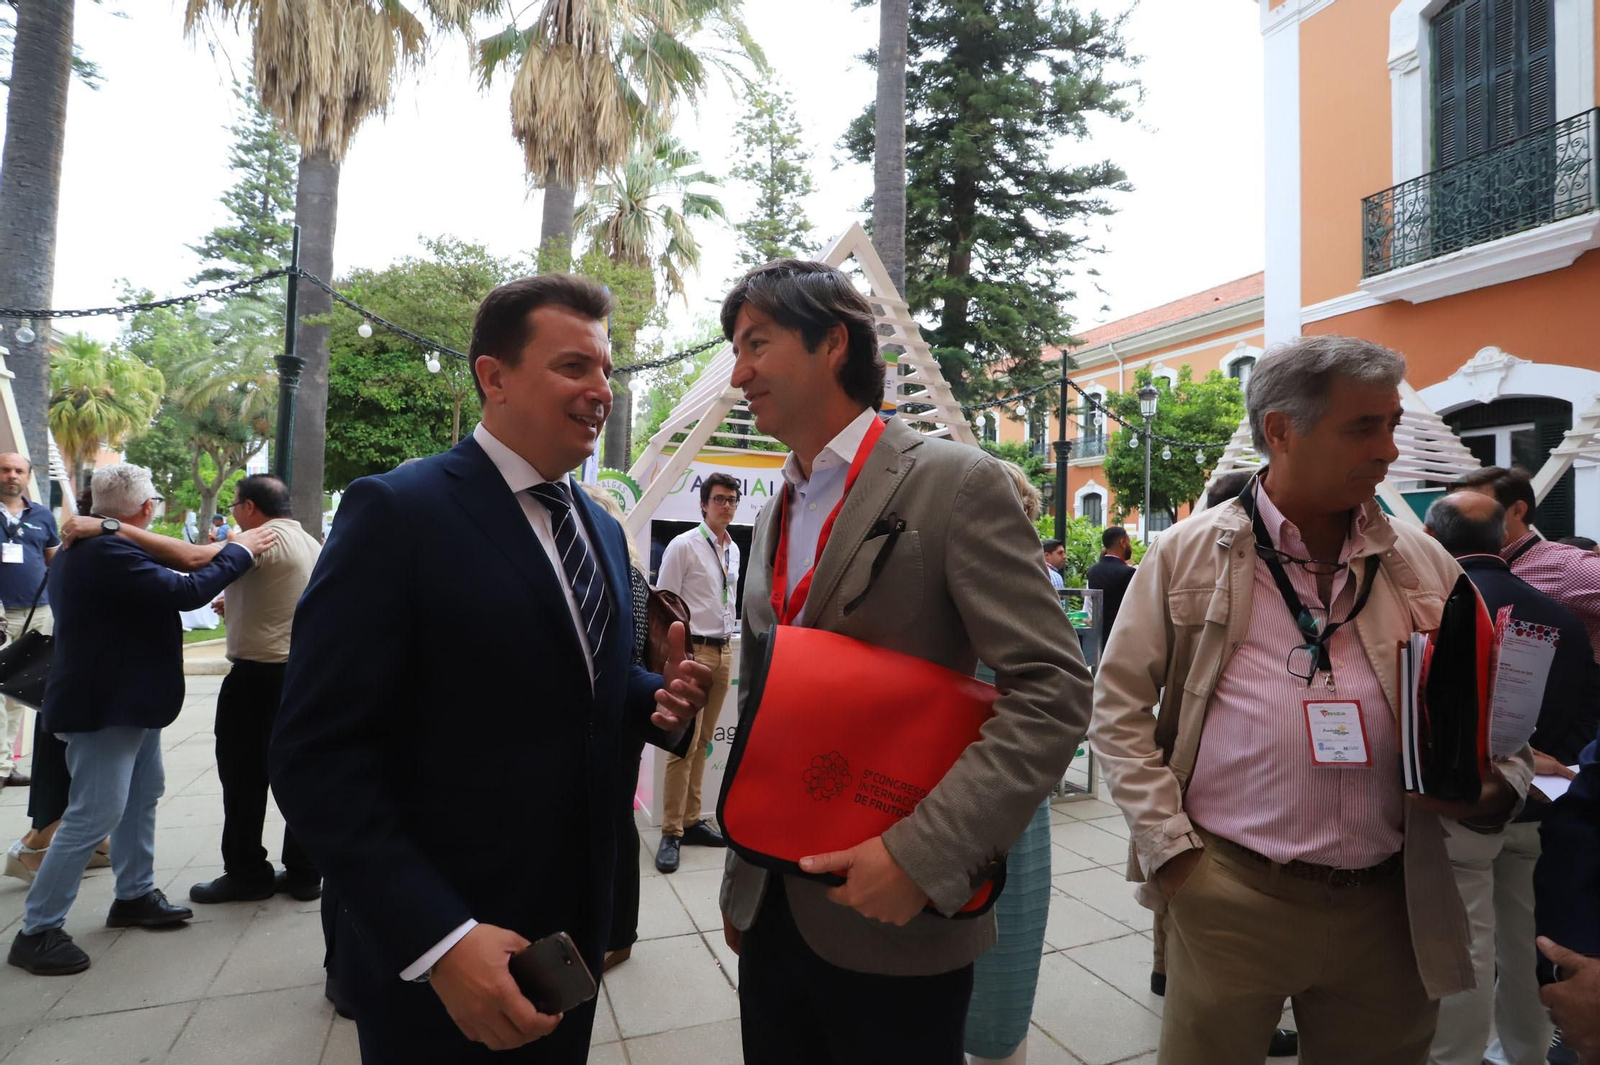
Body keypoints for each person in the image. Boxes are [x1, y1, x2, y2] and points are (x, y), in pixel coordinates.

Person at [269, 274, 713, 1063]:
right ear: (494, 376)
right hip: (448, 959)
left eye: (607, 370)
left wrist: (656, 700)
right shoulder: (397, 514)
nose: (600, 390)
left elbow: (585, 688)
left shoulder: (602, 531)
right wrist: (439, 940)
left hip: (569, 937)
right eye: (574, 367)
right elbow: (315, 759)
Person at [1091, 335, 1535, 1065]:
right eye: (1365, 426)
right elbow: (1116, 707)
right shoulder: (1185, 553)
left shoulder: (1427, 562)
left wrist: (1492, 786)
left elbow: (1500, 719)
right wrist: (1174, 857)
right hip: (1230, 891)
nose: (1389, 449)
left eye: (1393, 423)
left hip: (1390, 905)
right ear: (1280, 431)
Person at [717, 258, 1093, 1065]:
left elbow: (1054, 689)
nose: (738, 373)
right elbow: (769, 689)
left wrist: (920, 857)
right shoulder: (777, 503)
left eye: (755, 344)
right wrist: (742, 881)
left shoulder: (956, 482)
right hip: (770, 902)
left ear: (831, 344)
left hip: (897, 913)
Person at [6, 464, 262, 976]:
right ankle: (37, 930)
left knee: (143, 794)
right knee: (94, 814)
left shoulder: (100, 544)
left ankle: (134, 894)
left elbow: (180, 568)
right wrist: (244, 550)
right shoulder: (107, 552)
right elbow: (188, 589)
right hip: (105, 706)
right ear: (145, 508)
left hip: (128, 700)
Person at [1422, 491, 1599, 1065]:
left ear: (1435, 538)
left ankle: (1457, 1057)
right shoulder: (1560, 616)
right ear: (1503, 537)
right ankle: (1527, 1054)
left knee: (1466, 949)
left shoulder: (1433, 606)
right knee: (1527, 949)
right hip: (1544, 805)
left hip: (1464, 804)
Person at [965, 461, 1058, 1065]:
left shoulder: (1024, 586)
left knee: (998, 977)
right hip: (1000, 801)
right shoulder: (1024, 584)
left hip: (998, 801)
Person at [577, 482, 653, 974]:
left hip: (621, 717)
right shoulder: (624, 571)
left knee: (618, 827)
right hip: (613, 717)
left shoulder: (626, 575)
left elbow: (630, 653)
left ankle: (621, 933)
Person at [651, 471, 741, 874]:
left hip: (723, 652)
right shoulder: (683, 546)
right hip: (693, 651)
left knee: (704, 740)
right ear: (703, 504)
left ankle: (690, 820)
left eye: (732, 499)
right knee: (682, 742)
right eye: (719, 498)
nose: (727, 505)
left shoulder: (733, 549)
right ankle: (670, 831)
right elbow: (665, 605)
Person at [1449, 466, 1600, 664]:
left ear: (1518, 510)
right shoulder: (1458, 565)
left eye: (1476, 512)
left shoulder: (1567, 565)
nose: (1460, 523)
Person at [0, 451, 57, 788]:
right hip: (2, 616)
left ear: (28, 476)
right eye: (5, 469)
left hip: (39, 613)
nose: (11, 475)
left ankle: (6, 767)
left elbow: (53, 563)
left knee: (21, 691)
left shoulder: (42, 516)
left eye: (18, 470)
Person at [1086, 525, 1135, 640]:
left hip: (1098, 636)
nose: (1130, 545)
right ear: (1122, 542)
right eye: (1129, 541)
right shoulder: (1128, 572)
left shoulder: (1093, 571)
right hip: (1121, 636)